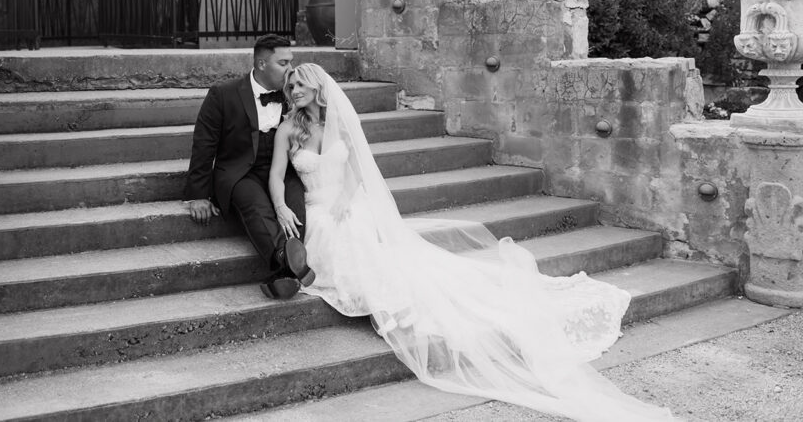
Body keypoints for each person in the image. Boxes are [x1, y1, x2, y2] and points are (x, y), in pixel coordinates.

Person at [268, 63, 677, 422]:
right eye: (289, 89)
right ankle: (387, 303)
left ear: (317, 87)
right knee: (339, 261)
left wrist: (344, 200)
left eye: (299, 86)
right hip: (316, 211)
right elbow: (276, 174)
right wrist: (282, 208)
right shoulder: (289, 128)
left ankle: (394, 307)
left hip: (344, 204)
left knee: (361, 236)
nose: (293, 93)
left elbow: (358, 170)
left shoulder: (340, 122)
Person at [184, 34, 315, 300]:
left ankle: (284, 272)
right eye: (283, 63)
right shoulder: (223, 94)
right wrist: (198, 194)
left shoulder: (293, 94)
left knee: (295, 210)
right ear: (262, 64)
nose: (290, 70)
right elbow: (204, 143)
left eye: (291, 62)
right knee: (256, 207)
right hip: (240, 172)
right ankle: (284, 258)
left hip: (281, 169)